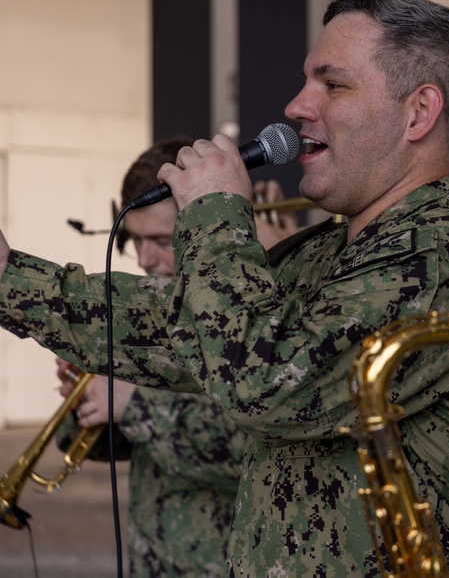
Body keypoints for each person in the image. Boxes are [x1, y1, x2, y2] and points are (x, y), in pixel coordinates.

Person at [0, 0, 449, 576]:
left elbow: (266, 380)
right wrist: (8, 275)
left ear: (419, 112)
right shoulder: (340, 248)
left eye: (333, 84)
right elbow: (187, 327)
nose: (298, 106)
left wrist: (215, 213)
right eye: (306, 82)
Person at [51, 138, 297, 577]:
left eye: (162, 240)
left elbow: (261, 449)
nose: (145, 260)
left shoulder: (259, 305)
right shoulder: (154, 312)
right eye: (135, 241)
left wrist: (136, 404)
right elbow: (115, 448)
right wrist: (87, 404)